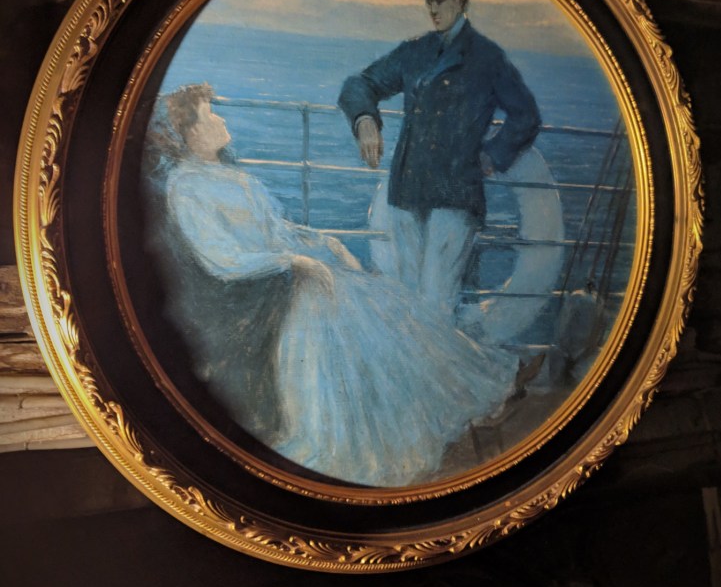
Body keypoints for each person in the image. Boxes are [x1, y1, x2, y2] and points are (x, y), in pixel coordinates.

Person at [142, 83, 519, 487]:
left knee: (385, 305)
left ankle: (453, 396)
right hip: (265, 287)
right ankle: (424, 413)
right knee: (356, 308)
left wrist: (324, 242)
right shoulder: (187, 186)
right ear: (190, 133)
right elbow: (222, 256)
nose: (220, 119)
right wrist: (296, 261)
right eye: (210, 114)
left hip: (289, 272)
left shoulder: (228, 174)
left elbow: (277, 231)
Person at [339, 0, 541, 320]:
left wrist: (493, 155)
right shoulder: (414, 52)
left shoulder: (487, 58)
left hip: (454, 195)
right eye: (428, 0)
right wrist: (365, 119)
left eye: (440, 0)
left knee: (435, 307)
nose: (432, 9)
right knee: (406, 301)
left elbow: (526, 115)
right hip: (408, 191)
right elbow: (358, 84)